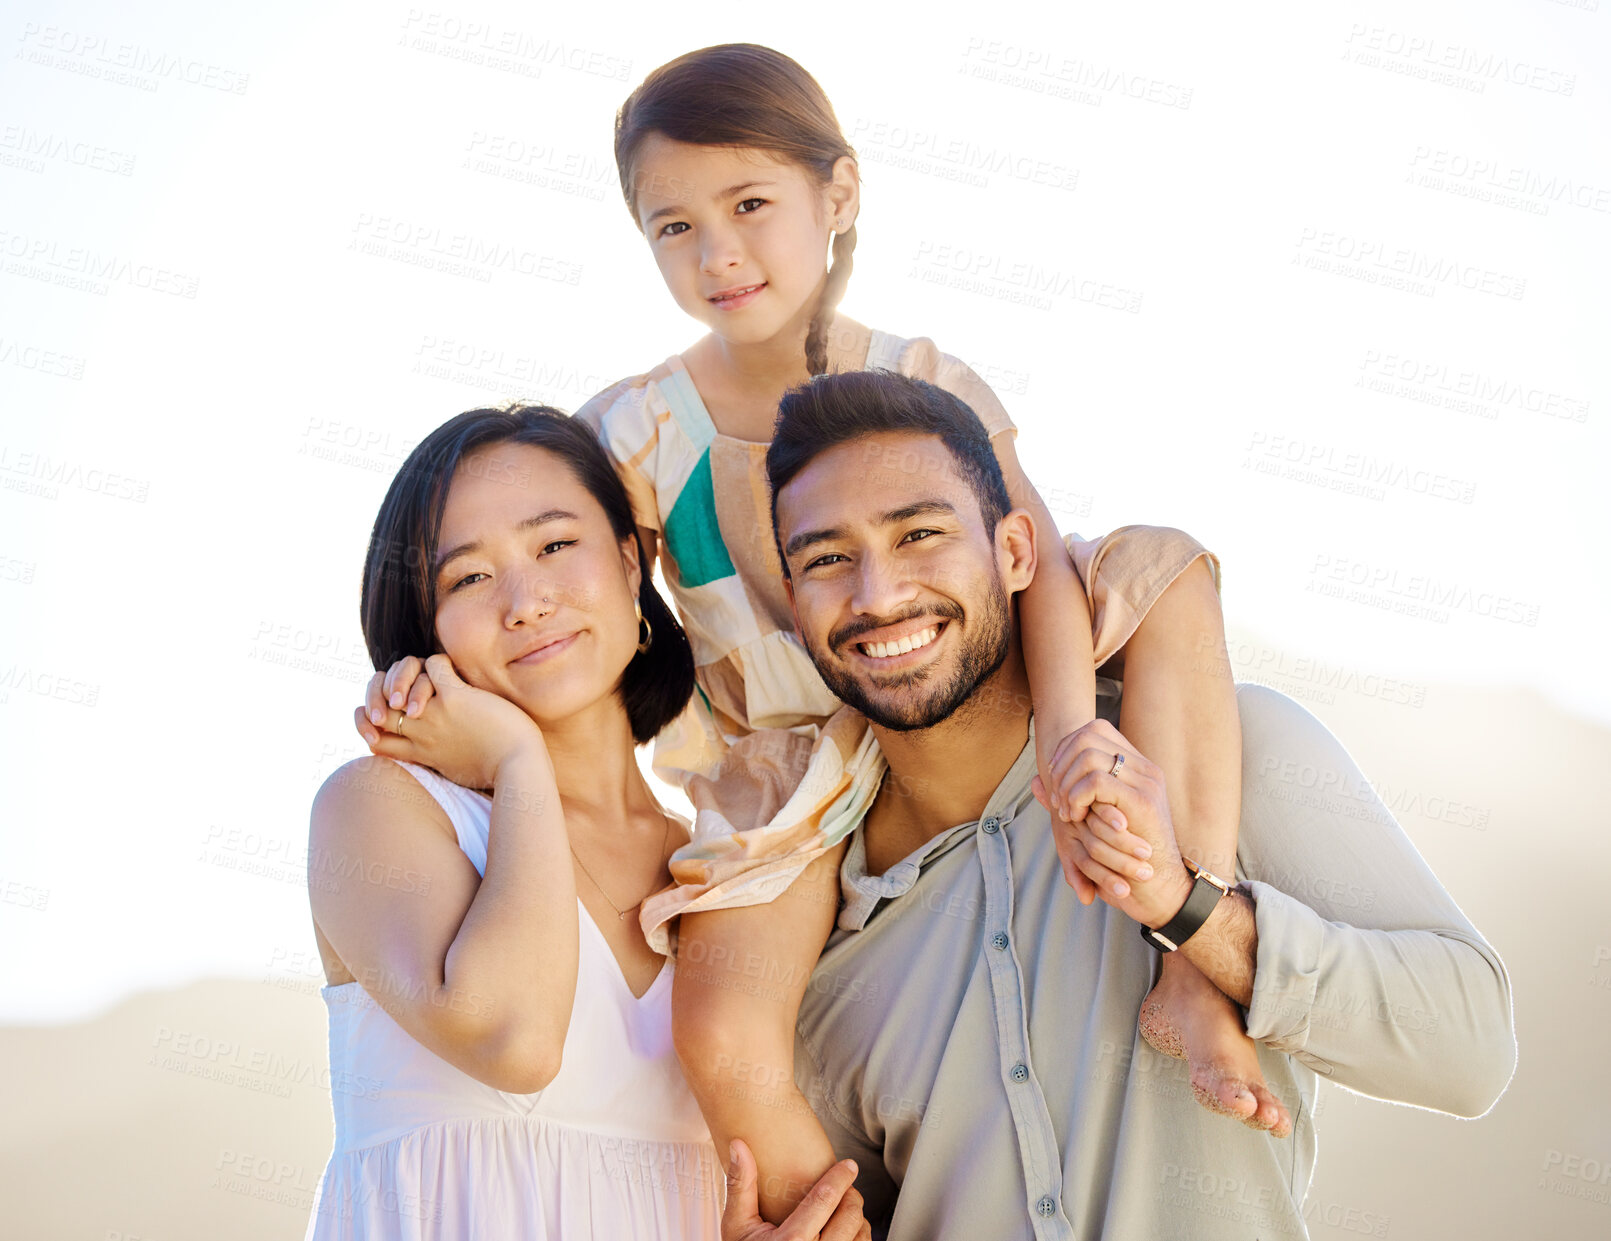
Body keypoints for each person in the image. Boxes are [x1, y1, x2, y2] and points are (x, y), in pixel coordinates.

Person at [574, 43, 1269, 1221]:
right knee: (728, 1041)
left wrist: (1065, 738)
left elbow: (1032, 558)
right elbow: (585, 624)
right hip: (786, 770)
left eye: (749, 206)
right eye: (672, 228)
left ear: (836, 196)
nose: (718, 253)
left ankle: (1191, 969)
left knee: (1163, 565)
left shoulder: (918, 374)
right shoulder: (635, 431)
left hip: (954, 686)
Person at [722, 368, 1516, 1239]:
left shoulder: (1235, 754)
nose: (877, 594)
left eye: (919, 533)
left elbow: (1470, 1050)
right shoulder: (820, 945)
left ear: (1016, 550)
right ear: (792, 604)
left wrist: (1190, 910)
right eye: (827, 558)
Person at [304, 406, 743, 1239]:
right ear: (423, 626)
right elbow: (514, 1039)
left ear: (627, 562)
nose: (526, 600)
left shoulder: (725, 865)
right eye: (467, 578)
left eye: (552, 545)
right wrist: (516, 760)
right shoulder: (381, 809)